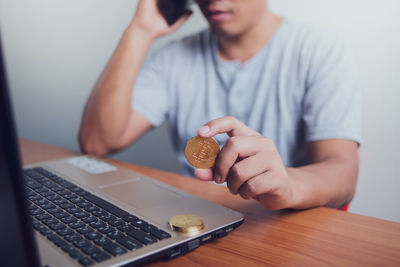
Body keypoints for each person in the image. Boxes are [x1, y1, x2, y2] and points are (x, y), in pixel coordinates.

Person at [79, 0, 361, 211]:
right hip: (203, 218)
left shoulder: (320, 49)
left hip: (288, 228)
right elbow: (96, 143)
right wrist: (140, 31)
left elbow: (343, 173)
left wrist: (289, 184)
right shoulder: (172, 58)